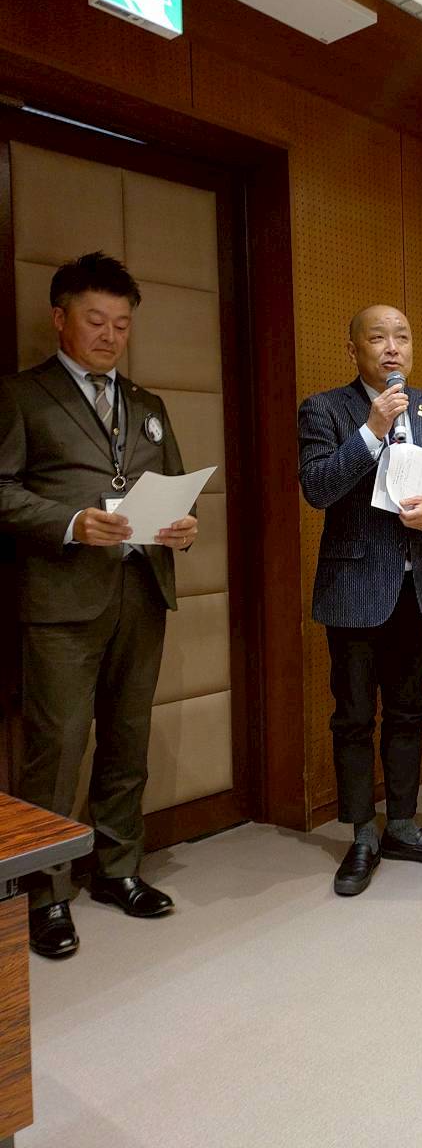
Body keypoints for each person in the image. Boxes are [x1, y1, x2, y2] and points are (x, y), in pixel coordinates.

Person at [0, 252, 198, 958]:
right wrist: (69, 522)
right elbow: (1, 490)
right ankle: (43, 894)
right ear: (60, 319)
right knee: (55, 749)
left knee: (127, 738)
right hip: (61, 600)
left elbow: (177, 486)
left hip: (140, 592)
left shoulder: (148, 405)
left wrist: (184, 526)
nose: (110, 335)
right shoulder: (22, 395)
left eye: (121, 323)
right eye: (96, 320)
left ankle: (118, 869)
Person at [298, 304, 422, 896]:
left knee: (407, 710)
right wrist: (371, 430)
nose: (392, 347)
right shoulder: (325, 409)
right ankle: (361, 836)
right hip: (353, 587)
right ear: (354, 350)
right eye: (378, 337)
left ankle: (401, 826)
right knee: (353, 717)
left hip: (413, 583)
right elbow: (318, 488)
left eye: (402, 336)